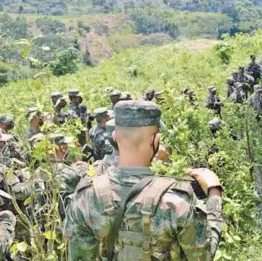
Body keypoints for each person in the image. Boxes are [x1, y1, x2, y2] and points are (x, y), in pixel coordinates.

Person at [64, 100, 224, 260]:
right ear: (156, 140)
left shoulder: (85, 198)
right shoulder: (176, 201)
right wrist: (214, 191)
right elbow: (203, 256)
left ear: (114, 137)